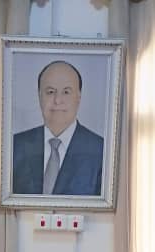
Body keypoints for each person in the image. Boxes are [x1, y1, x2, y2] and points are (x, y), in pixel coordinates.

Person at [12, 60, 104, 196]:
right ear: (39, 96)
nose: (57, 100)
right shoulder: (15, 146)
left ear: (78, 97)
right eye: (50, 92)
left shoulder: (101, 151)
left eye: (66, 92)